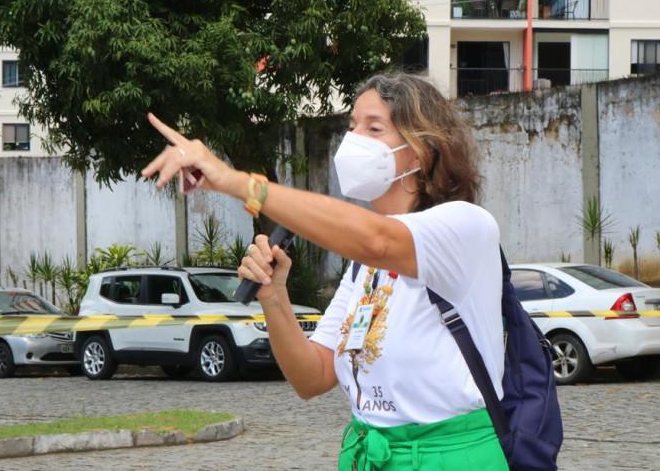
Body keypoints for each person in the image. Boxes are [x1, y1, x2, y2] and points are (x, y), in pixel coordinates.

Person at [141, 72, 507, 470]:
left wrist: (236, 182)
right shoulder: (364, 266)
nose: (354, 139)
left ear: (419, 151)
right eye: (353, 126)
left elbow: (379, 240)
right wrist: (273, 295)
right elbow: (312, 376)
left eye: (374, 127)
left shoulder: (465, 226)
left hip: (450, 457)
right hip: (372, 453)